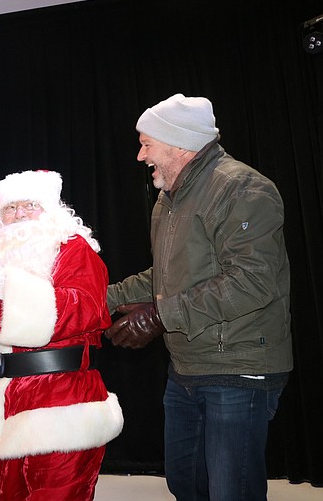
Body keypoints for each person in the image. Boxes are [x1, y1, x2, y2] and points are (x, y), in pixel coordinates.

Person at [105, 94, 293, 501]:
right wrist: (101, 299)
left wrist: (159, 316)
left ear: (177, 144)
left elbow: (253, 281)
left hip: (239, 368)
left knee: (231, 492)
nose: (141, 155)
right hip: (186, 367)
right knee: (186, 484)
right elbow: (167, 276)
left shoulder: (243, 189)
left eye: (146, 143)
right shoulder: (168, 199)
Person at [0, 170, 123, 501]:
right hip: (7, 400)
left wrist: (16, 293)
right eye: (9, 208)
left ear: (49, 208)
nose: (18, 215)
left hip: (62, 401)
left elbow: (88, 308)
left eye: (28, 205)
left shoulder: (73, 248)